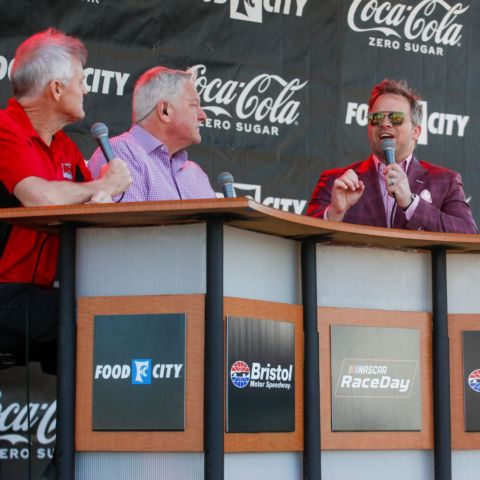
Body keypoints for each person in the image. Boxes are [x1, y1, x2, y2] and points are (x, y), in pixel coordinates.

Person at [0, 29, 132, 372]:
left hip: (36, 294)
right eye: (82, 80)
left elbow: (93, 208)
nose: (87, 89)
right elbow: (40, 197)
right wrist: (103, 185)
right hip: (4, 292)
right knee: (90, 317)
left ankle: (91, 425)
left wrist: (100, 196)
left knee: (112, 314)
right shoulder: (4, 129)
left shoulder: (64, 147)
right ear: (56, 89)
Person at [306, 78, 477, 233]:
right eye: (376, 118)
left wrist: (412, 204)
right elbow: (305, 238)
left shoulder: (446, 181)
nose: (385, 124)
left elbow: (468, 234)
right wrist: (335, 213)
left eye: (395, 118)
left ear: (416, 132)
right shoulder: (336, 181)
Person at [88, 66, 216, 201]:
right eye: (194, 105)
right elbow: (128, 221)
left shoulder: (196, 173)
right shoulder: (120, 154)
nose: (203, 116)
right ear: (165, 110)